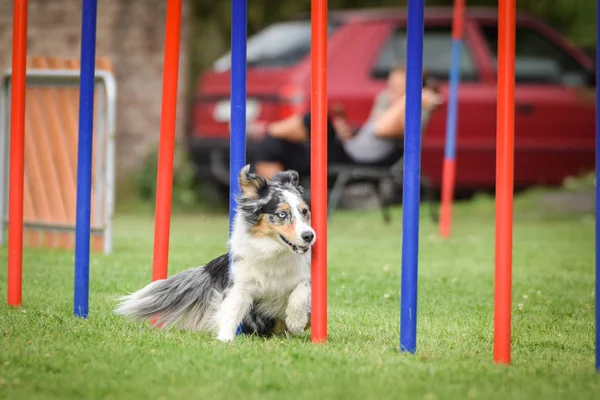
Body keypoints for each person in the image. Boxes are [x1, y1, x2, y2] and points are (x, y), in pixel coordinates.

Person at [248, 64, 442, 179]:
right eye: (390, 86)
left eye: (398, 88)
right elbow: (371, 132)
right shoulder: (390, 105)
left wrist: (413, 97)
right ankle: (271, 201)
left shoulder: (413, 111)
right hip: (349, 149)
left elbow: (381, 129)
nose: (390, 93)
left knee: (317, 120)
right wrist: (347, 134)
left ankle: (264, 128)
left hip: (358, 160)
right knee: (272, 145)